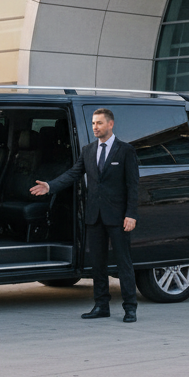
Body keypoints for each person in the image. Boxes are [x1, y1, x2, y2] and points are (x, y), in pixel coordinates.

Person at [30, 107, 140, 323]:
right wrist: (50, 186)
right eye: (92, 123)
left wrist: (131, 214)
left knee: (123, 263)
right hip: (94, 216)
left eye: (99, 123)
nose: (95, 127)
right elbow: (73, 173)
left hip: (118, 217)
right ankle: (101, 306)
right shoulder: (88, 150)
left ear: (110, 124)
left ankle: (130, 308)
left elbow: (133, 185)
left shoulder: (125, 150)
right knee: (97, 264)